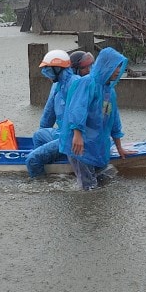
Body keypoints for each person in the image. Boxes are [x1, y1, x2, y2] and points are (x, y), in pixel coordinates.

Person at [57, 47, 134, 190]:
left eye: (120, 67)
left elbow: (114, 120)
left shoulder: (109, 91)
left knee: (107, 178)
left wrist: (119, 147)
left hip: (96, 146)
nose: (119, 70)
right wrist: (77, 134)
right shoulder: (86, 83)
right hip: (79, 145)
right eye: (115, 66)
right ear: (106, 65)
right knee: (89, 188)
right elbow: (77, 109)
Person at [25, 49, 93, 177]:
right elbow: (47, 117)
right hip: (63, 133)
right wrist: (45, 151)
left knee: (32, 160)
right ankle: (55, 166)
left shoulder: (76, 83)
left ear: (58, 69)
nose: (46, 74)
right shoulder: (57, 86)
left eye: (48, 70)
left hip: (74, 137)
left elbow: (80, 114)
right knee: (39, 135)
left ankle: (41, 187)